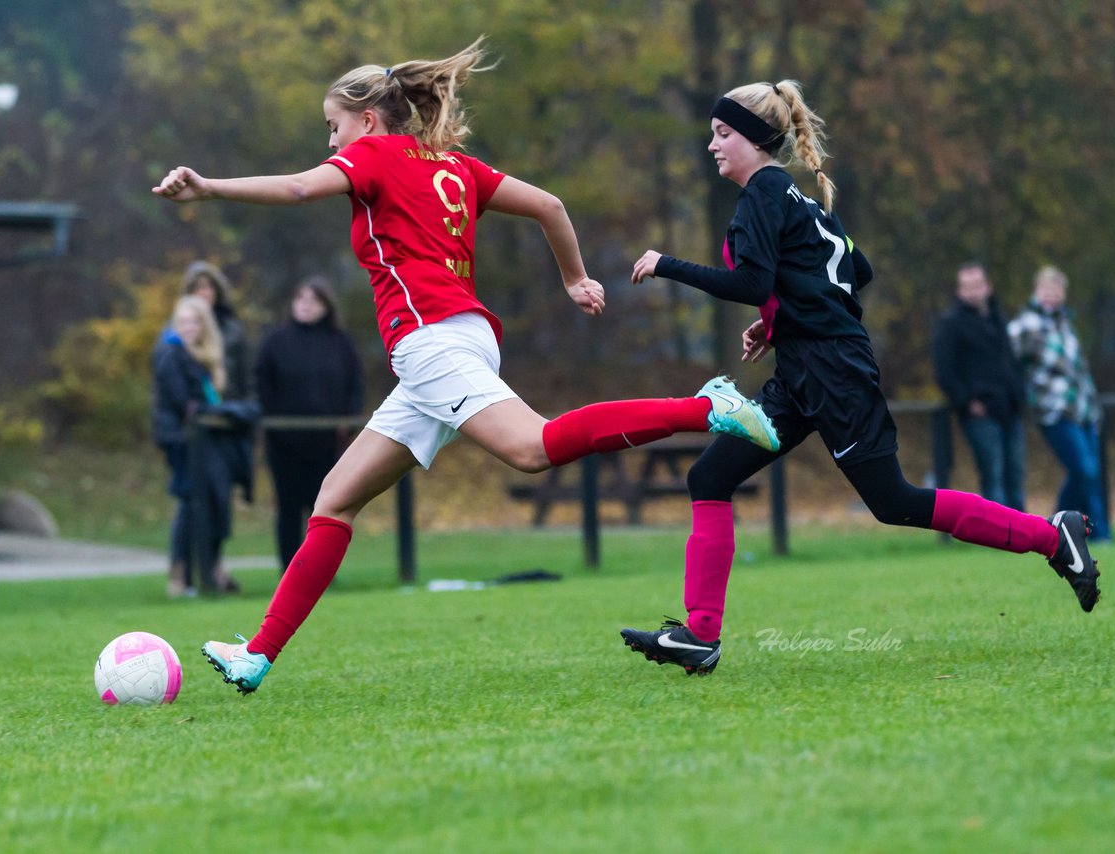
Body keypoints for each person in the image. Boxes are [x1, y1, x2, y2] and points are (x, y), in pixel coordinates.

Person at [152, 38, 781, 694]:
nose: (331, 143)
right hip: (461, 337)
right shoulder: (451, 163)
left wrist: (208, 188)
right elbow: (551, 206)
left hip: (430, 342)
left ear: (367, 122)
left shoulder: (371, 155)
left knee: (533, 448)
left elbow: (295, 188)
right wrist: (574, 278)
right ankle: (257, 654)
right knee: (335, 501)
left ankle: (704, 407)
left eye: (332, 126)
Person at [622, 80, 1102, 676]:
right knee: (711, 476)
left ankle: (1054, 538)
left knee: (893, 501)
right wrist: (778, 324)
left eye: (723, 135)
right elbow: (857, 268)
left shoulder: (762, 198)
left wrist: (667, 264)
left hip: (832, 372)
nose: (713, 146)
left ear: (756, 140)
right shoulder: (798, 198)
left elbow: (751, 283)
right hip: (807, 368)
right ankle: (700, 635)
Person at [254, 276, 365, 572]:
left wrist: (348, 423)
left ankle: (318, 571)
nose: (305, 305)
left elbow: (354, 387)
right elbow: (261, 385)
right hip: (284, 444)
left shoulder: (340, 343)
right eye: (300, 298)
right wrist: (272, 422)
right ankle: (289, 571)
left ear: (326, 306)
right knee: (288, 510)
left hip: (327, 443)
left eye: (313, 300)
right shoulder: (275, 342)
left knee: (323, 511)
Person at [1009, 265, 1111, 541]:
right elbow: (1006, 362)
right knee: (1084, 469)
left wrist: (1095, 412)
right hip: (1053, 411)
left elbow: (1081, 373)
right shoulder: (1026, 325)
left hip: (1084, 411)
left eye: (1057, 290)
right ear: (1036, 291)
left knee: (1092, 473)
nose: (1052, 295)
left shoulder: (1066, 325)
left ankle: (1092, 533)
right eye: (1046, 289)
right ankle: (1060, 529)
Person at [932, 261, 1027, 510]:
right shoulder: (951, 323)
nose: (973, 291)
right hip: (980, 412)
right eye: (967, 286)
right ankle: (1001, 537)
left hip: (1010, 408)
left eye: (978, 285)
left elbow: (1011, 361)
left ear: (988, 287)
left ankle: (1026, 536)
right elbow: (944, 371)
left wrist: (1019, 392)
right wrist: (967, 402)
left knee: (1016, 475)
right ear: (959, 291)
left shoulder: (998, 318)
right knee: (992, 475)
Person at [151, 294, 226, 598]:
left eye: (194, 321)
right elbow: (186, 403)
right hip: (182, 441)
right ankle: (179, 573)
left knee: (202, 504)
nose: (188, 327)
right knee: (188, 503)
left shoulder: (203, 357)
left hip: (200, 440)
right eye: (182, 321)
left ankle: (200, 572)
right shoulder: (171, 354)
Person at [182, 260, 251, 401]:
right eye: (198, 287)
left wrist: (246, 409)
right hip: (193, 414)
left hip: (230, 410)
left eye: (209, 287)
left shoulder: (233, 330)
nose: (204, 293)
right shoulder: (178, 329)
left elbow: (246, 378)